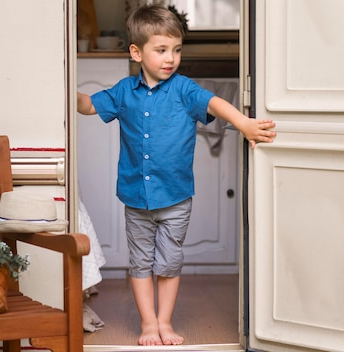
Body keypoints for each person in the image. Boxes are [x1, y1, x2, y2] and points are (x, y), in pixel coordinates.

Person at [77, 4, 276, 346]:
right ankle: (148, 324)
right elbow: (89, 105)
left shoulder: (184, 89)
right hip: (136, 197)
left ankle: (165, 322)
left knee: (168, 263)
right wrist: (60, 86)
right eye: (161, 50)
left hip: (176, 197)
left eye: (177, 50)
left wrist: (243, 123)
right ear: (137, 53)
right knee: (140, 263)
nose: (171, 58)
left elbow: (214, 103)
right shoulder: (124, 92)